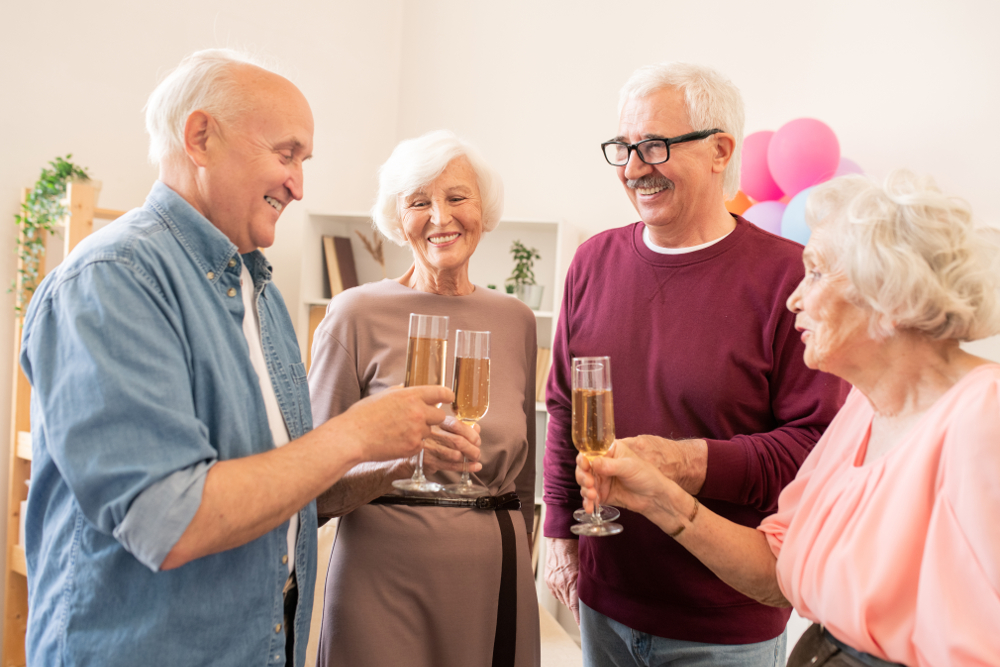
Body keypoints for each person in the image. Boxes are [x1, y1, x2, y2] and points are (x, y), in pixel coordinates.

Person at [19, 50, 468, 667]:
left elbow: (282, 492)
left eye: (303, 162)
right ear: (200, 137)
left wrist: (385, 466)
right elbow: (168, 521)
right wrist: (353, 436)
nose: (299, 185)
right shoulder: (113, 280)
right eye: (286, 155)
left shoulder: (258, 291)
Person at [576, 169, 1000, 667]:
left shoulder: (981, 419)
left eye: (817, 273)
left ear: (891, 297)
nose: (796, 298)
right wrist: (659, 498)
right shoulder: (863, 409)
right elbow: (778, 569)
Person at [542, 61, 849, 666]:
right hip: (602, 607)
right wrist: (558, 533)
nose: (633, 169)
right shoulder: (591, 261)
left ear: (720, 151)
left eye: (653, 147)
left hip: (725, 626)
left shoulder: (791, 277)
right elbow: (563, 408)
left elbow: (813, 447)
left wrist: (684, 463)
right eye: (624, 148)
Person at [309, 129, 541, 667]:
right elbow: (309, 487)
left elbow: (523, 477)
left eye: (457, 197)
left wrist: (521, 561)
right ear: (398, 217)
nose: (440, 217)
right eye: (419, 202)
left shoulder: (515, 321)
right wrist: (400, 465)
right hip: (382, 581)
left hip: (494, 576)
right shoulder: (353, 314)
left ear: (484, 208)